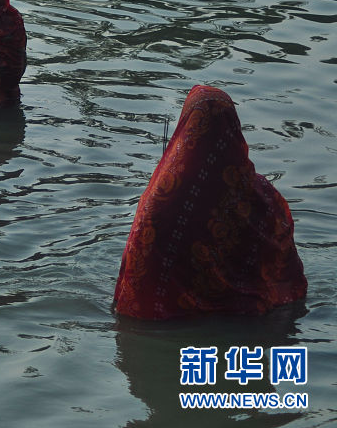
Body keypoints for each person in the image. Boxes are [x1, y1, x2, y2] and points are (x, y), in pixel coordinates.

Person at [112, 85, 307, 319]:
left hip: (166, 322)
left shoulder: (161, 199)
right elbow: (287, 277)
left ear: (186, 131)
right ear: (234, 130)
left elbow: (136, 282)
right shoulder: (263, 197)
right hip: (248, 320)